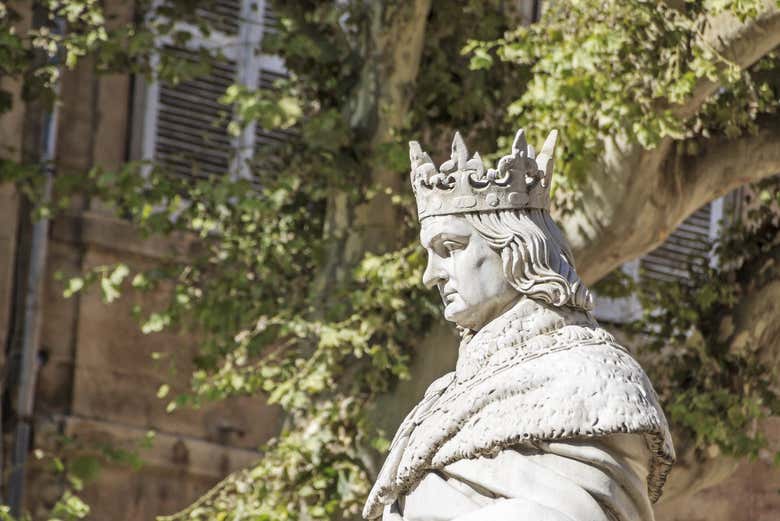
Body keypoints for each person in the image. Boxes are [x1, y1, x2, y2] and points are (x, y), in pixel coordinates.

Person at [362, 130, 675, 521]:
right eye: (430, 255)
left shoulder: (593, 376)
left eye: (450, 248)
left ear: (515, 246)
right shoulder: (445, 396)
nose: (431, 275)